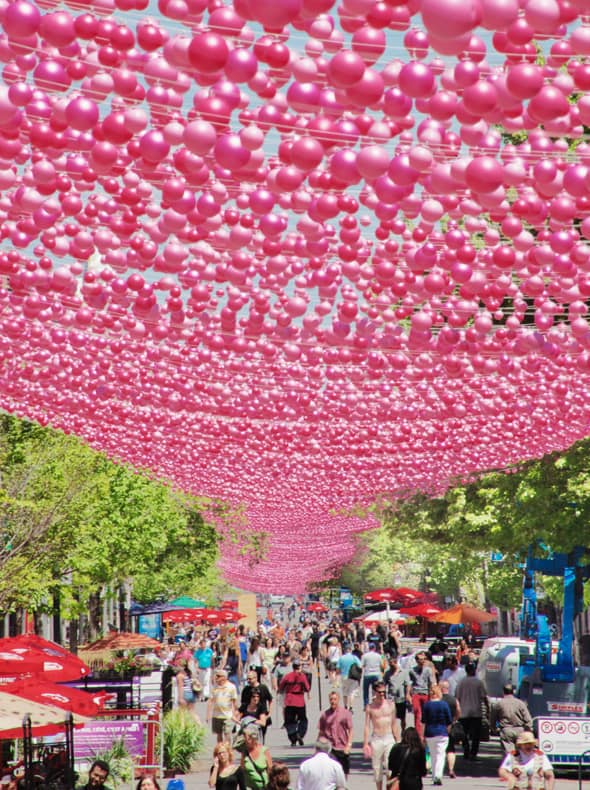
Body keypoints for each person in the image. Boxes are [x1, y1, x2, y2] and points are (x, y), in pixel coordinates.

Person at [364, 680, 401, 790]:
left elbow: (394, 723)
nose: (382, 694)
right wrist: (366, 743)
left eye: (384, 692)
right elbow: (367, 726)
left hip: (389, 737)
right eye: (379, 692)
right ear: (374, 692)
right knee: (377, 769)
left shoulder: (391, 705)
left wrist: (398, 740)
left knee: (390, 767)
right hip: (377, 739)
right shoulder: (370, 707)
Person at [455, 662, 489, 761]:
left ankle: (466, 751)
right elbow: (484, 697)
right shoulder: (478, 682)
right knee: (476, 735)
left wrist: (456, 711)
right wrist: (487, 710)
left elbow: (457, 697)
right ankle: (473, 753)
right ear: (474, 670)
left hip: (464, 712)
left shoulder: (461, 682)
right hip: (476, 712)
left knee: (464, 734)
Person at [318, 691, 354, 777]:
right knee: (331, 772)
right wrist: (318, 747)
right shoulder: (325, 715)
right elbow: (321, 732)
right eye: (331, 699)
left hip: (342, 747)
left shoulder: (345, 713)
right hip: (330, 748)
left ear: (338, 700)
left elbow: (351, 729)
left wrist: (349, 745)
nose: (333, 701)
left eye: (335, 699)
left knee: (344, 772)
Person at [422, 684, 452, 786]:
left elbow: (423, 721)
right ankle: (438, 776)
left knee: (433, 755)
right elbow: (449, 720)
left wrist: (422, 735)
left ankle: (434, 775)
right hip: (442, 732)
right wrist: (448, 731)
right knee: (441, 755)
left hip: (430, 733)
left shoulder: (426, 705)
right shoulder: (444, 705)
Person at [493, 684, 534, 753]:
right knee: (521, 754)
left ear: (503, 692)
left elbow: (493, 718)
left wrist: (494, 729)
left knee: (510, 754)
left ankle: (512, 762)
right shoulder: (520, 703)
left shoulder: (498, 704)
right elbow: (528, 719)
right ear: (513, 692)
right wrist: (528, 729)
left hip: (506, 731)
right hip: (520, 730)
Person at [279, 658, 310, 746]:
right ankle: (300, 733)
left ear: (293, 667)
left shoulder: (288, 676)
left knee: (289, 721)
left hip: (289, 700)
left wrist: (281, 692)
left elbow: (281, 687)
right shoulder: (302, 676)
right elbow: (307, 688)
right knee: (303, 719)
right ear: (299, 666)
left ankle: (293, 738)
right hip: (299, 699)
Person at [387, 726, 427, 790]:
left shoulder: (396, 748)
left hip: (399, 781)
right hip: (414, 782)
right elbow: (423, 771)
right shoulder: (419, 750)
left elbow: (390, 766)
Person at [406, 652, 435, 739]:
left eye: (423, 659)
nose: (422, 661)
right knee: (417, 713)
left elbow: (431, 683)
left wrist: (432, 694)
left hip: (426, 693)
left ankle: (427, 732)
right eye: (420, 660)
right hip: (416, 693)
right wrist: (408, 694)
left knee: (427, 714)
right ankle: (419, 735)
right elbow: (409, 683)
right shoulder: (412, 670)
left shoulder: (428, 670)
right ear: (416, 660)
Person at [207, 669, 240, 744]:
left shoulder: (231, 687)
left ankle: (227, 749)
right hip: (216, 715)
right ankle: (220, 750)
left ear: (224, 677)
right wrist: (208, 714)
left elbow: (234, 702)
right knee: (219, 734)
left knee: (227, 734)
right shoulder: (215, 687)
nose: (216, 678)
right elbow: (210, 701)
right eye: (216, 676)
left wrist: (235, 714)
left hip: (227, 715)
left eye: (218, 676)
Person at [439, 679, 461, 779]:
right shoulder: (454, 699)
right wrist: (454, 720)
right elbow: (458, 711)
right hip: (450, 726)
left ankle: (438, 769)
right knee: (451, 749)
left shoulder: (438, 700)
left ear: (441, 688)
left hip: (439, 726)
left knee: (439, 750)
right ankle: (451, 769)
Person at [241, 725, 272, 790]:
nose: (244, 739)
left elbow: (270, 769)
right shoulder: (245, 752)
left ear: (253, 738)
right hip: (249, 787)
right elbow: (242, 770)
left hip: (264, 786)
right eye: (244, 737)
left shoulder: (264, 751)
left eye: (246, 737)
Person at [383, 657, 409, 732]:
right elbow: (384, 684)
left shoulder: (403, 672)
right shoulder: (388, 673)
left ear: (396, 662)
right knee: (392, 716)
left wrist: (407, 694)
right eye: (389, 664)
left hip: (401, 698)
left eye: (392, 664)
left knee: (402, 717)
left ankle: (403, 731)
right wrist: (384, 696)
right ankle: (393, 731)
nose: (391, 666)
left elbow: (407, 684)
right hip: (391, 698)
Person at [338, 642, 362, 711]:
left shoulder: (341, 658)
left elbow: (338, 668)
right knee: (352, 692)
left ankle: (345, 706)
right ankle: (351, 707)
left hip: (344, 676)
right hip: (352, 676)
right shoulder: (354, 657)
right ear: (350, 650)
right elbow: (360, 666)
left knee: (345, 692)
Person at [362, 642, 385, 709]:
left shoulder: (365, 656)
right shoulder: (378, 656)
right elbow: (382, 666)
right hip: (376, 674)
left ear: (369, 648)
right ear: (374, 648)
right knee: (376, 690)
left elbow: (362, 665)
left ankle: (366, 705)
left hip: (367, 674)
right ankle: (375, 703)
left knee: (366, 691)